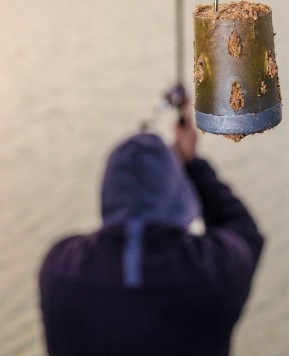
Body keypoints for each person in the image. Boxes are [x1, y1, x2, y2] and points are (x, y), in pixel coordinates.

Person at [38, 108, 265, 356]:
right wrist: (191, 162)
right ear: (178, 198)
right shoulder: (214, 271)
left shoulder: (60, 269)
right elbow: (245, 231)